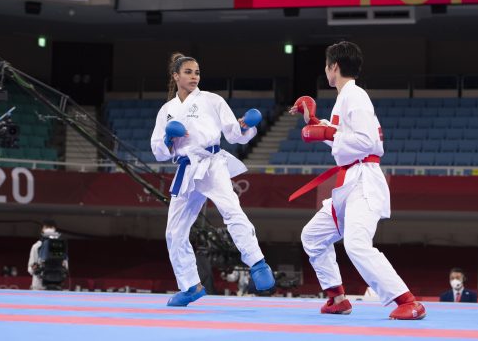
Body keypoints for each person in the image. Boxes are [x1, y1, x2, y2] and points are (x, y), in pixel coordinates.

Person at [289, 41, 426, 320]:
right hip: (349, 179)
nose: (326, 70)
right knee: (313, 236)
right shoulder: (346, 97)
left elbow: (366, 141)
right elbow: (344, 141)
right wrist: (314, 121)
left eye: (326, 65)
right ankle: (337, 298)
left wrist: (324, 133)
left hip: (363, 179)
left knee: (357, 244)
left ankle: (408, 300)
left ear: (334, 67)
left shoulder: (356, 96)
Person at [151, 53, 275, 306]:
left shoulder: (212, 100)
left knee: (231, 211)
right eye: (188, 72)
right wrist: (167, 139)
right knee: (174, 232)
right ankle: (190, 286)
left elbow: (234, 135)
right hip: (186, 168)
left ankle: (257, 263)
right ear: (176, 76)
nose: (194, 76)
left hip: (212, 164)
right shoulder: (167, 110)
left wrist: (244, 126)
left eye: (196, 72)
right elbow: (158, 151)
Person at [28, 219, 68, 290]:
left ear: (55, 230)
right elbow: (30, 268)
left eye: (51, 228)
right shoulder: (37, 246)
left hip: (56, 286)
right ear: (42, 230)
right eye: (46, 227)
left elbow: (65, 266)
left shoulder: (60, 245)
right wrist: (37, 269)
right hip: (39, 286)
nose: (49, 230)